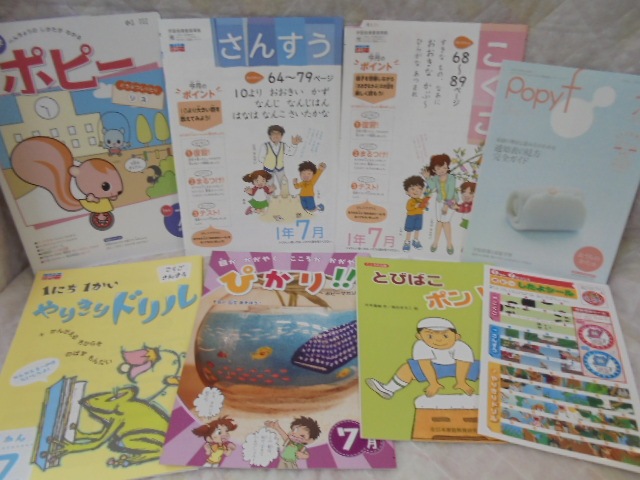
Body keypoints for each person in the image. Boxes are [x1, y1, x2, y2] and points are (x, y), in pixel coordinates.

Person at [366, 316, 476, 399]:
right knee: (407, 368)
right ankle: (389, 389)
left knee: (483, 368)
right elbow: (425, 364)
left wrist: (461, 382)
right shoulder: (420, 345)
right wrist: (433, 383)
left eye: (445, 335)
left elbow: (463, 364)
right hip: (435, 367)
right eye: (430, 336)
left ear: (457, 336)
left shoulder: (462, 347)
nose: (438, 340)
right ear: (419, 336)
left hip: (460, 367)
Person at [423, 154, 458, 255]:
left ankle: (449, 244)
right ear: (434, 170)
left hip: (450, 202)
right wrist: (427, 178)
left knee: (445, 222)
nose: (442, 170)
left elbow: (451, 192)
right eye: (438, 168)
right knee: (439, 222)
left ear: (447, 166)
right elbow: (433, 187)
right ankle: (435, 242)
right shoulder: (435, 178)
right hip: (439, 202)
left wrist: (446, 205)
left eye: (444, 167)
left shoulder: (451, 178)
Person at [259, 124, 302, 197]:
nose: (276, 135)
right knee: (269, 186)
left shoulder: (283, 145)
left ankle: (285, 198)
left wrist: (294, 144)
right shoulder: (265, 145)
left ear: (281, 136)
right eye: (273, 133)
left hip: (280, 168)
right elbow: (261, 158)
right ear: (269, 136)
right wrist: (268, 163)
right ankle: (270, 201)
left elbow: (290, 152)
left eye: (278, 133)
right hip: (268, 169)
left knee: (284, 183)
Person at [401, 175, 430, 251]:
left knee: (417, 228)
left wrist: (425, 205)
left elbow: (422, 207)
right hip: (411, 216)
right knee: (409, 229)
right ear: (407, 192)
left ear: (422, 191)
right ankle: (407, 242)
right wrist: (415, 206)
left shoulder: (420, 200)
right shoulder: (410, 201)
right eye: (412, 189)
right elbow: (408, 208)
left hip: (419, 216)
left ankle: (415, 240)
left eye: (419, 188)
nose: (416, 191)